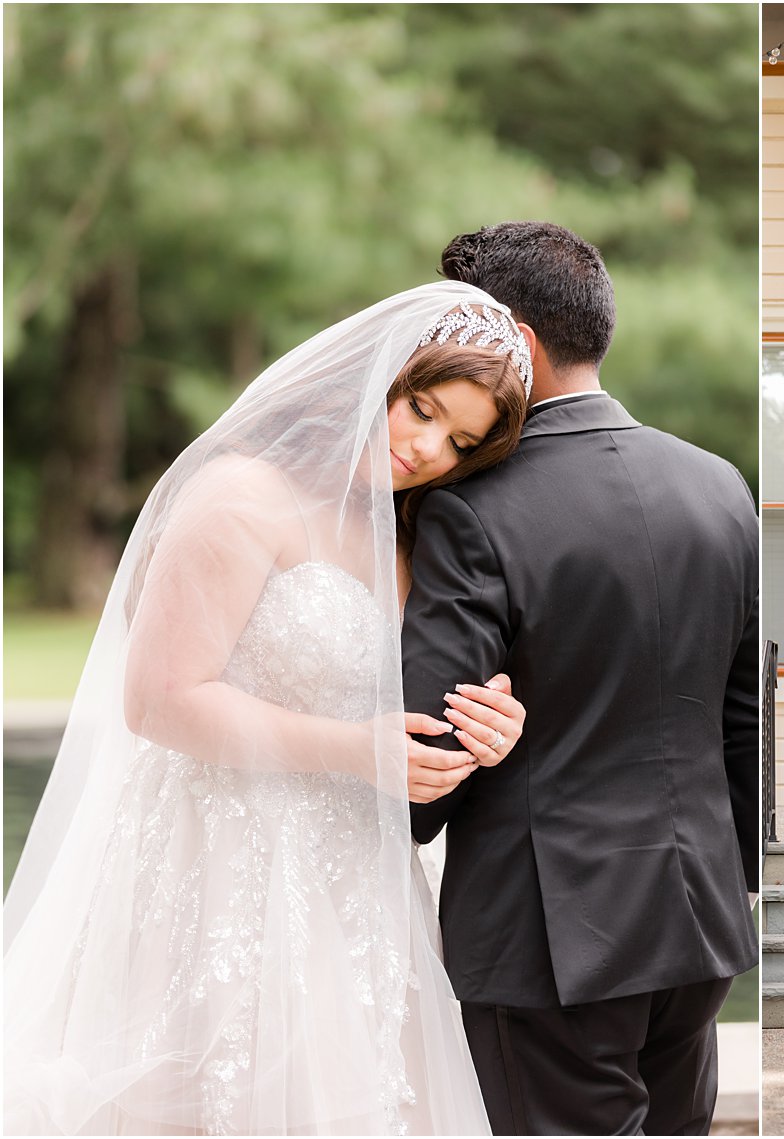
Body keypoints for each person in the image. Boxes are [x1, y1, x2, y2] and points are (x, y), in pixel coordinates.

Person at [4, 283, 534, 1134]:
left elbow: (408, 692)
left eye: (459, 440)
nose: (427, 447)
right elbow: (159, 699)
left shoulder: (413, 534)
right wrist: (355, 749)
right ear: (378, 379)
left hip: (353, 873)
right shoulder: (242, 494)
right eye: (421, 409)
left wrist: (490, 721)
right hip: (216, 853)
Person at [403, 221, 759, 1136]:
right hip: (698, 922)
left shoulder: (470, 510)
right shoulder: (721, 488)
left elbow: (421, 771)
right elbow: (744, 719)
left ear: (515, 341)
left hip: (544, 940)